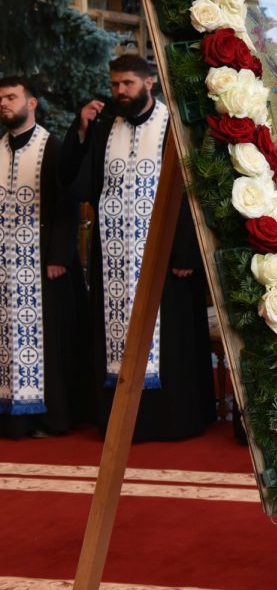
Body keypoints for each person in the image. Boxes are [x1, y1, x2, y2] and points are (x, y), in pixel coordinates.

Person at [60, 54, 214, 442]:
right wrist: (79, 130)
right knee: (117, 333)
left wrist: (185, 252)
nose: (119, 92)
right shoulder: (104, 128)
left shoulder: (173, 126)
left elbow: (193, 194)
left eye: (127, 83)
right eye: (115, 84)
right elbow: (79, 186)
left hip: (165, 255)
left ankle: (173, 421)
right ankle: (122, 422)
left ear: (149, 83)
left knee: (172, 341)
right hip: (113, 258)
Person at [0, 77, 85, 439]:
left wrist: (58, 255)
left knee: (48, 341)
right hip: (4, 266)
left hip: (42, 265)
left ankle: (50, 418)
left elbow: (67, 205)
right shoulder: (0, 147)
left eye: (11, 97)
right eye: (1, 99)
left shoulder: (51, 146)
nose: (4, 103)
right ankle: (11, 418)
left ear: (31, 103)